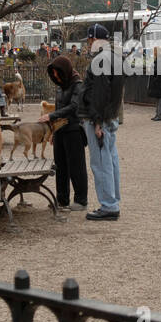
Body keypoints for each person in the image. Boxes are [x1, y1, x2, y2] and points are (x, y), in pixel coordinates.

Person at [79, 24, 124, 220]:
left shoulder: (101, 59)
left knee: (101, 162)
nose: (88, 44)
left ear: (93, 39)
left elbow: (98, 93)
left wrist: (97, 121)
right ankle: (112, 199)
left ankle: (109, 204)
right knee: (111, 159)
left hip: (99, 118)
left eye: (89, 40)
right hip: (110, 115)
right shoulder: (115, 57)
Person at [42, 55, 88, 211]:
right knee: (61, 166)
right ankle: (62, 199)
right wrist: (53, 132)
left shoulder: (77, 84)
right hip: (60, 130)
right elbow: (58, 107)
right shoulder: (60, 85)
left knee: (77, 167)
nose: (55, 76)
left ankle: (81, 200)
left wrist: (50, 116)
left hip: (74, 130)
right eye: (53, 73)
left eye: (57, 73)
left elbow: (74, 107)